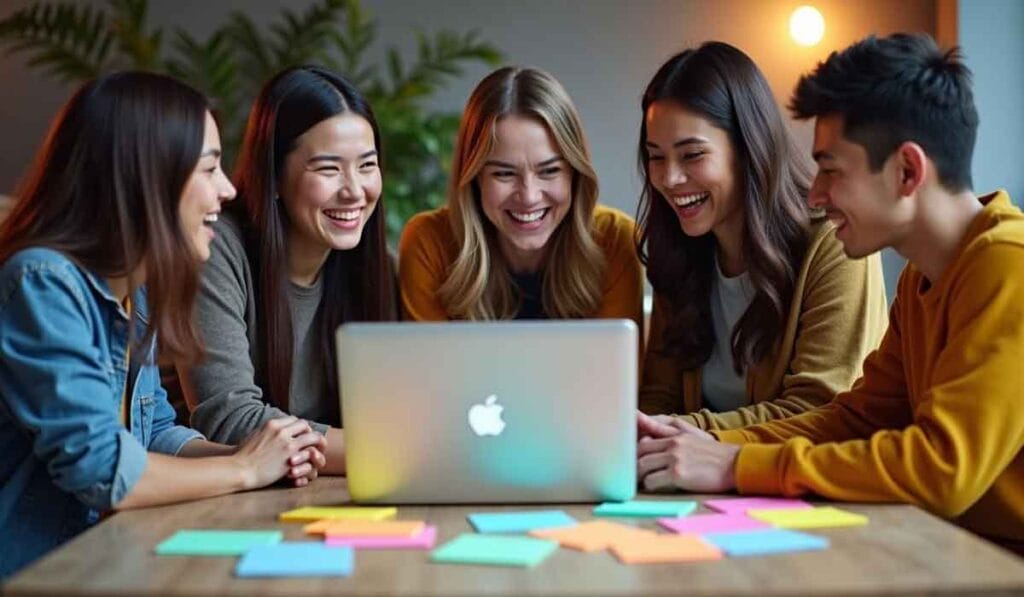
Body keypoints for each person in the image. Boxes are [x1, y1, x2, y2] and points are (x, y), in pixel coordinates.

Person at [637, 33, 1024, 553]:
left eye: (831, 169)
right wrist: (708, 446)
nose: (815, 193)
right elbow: (854, 420)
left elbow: (943, 470)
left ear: (908, 171)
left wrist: (737, 464)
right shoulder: (923, 277)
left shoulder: (1008, 265)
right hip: (960, 547)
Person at [0, 72, 327, 577]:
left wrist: (261, 457)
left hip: (104, 560)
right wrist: (242, 469)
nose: (229, 189)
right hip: (36, 572)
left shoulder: (135, 288)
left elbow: (153, 433)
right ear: (145, 177)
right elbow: (104, 471)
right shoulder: (42, 282)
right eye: (210, 169)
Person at [637, 41, 887, 429]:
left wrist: (687, 434)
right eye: (656, 156)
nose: (669, 178)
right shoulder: (680, 250)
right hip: (699, 478)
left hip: (804, 482)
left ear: (748, 148)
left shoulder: (834, 239)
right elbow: (660, 396)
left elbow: (821, 408)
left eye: (692, 155)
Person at [172, 66, 397, 475]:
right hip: (211, 502)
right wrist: (399, 450)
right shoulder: (216, 249)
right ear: (274, 176)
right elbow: (230, 419)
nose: (354, 190)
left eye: (367, 166)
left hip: (318, 491)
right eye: (329, 169)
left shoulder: (375, 265)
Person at [399, 67, 643, 327]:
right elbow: (428, 367)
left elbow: (614, 367)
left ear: (575, 174)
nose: (529, 196)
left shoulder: (615, 240)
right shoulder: (429, 242)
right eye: (504, 173)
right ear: (474, 178)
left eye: (549, 171)